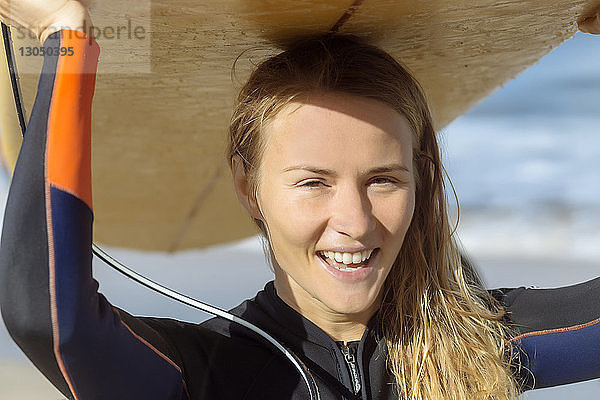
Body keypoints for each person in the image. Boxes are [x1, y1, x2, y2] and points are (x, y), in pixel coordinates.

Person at [1, 1, 599, 399]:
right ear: (248, 187)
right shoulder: (214, 372)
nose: (355, 221)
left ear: (423, 181)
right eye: (313, 182)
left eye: (383, 179)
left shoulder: (480, 345)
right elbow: (50, 321)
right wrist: (66, 38)